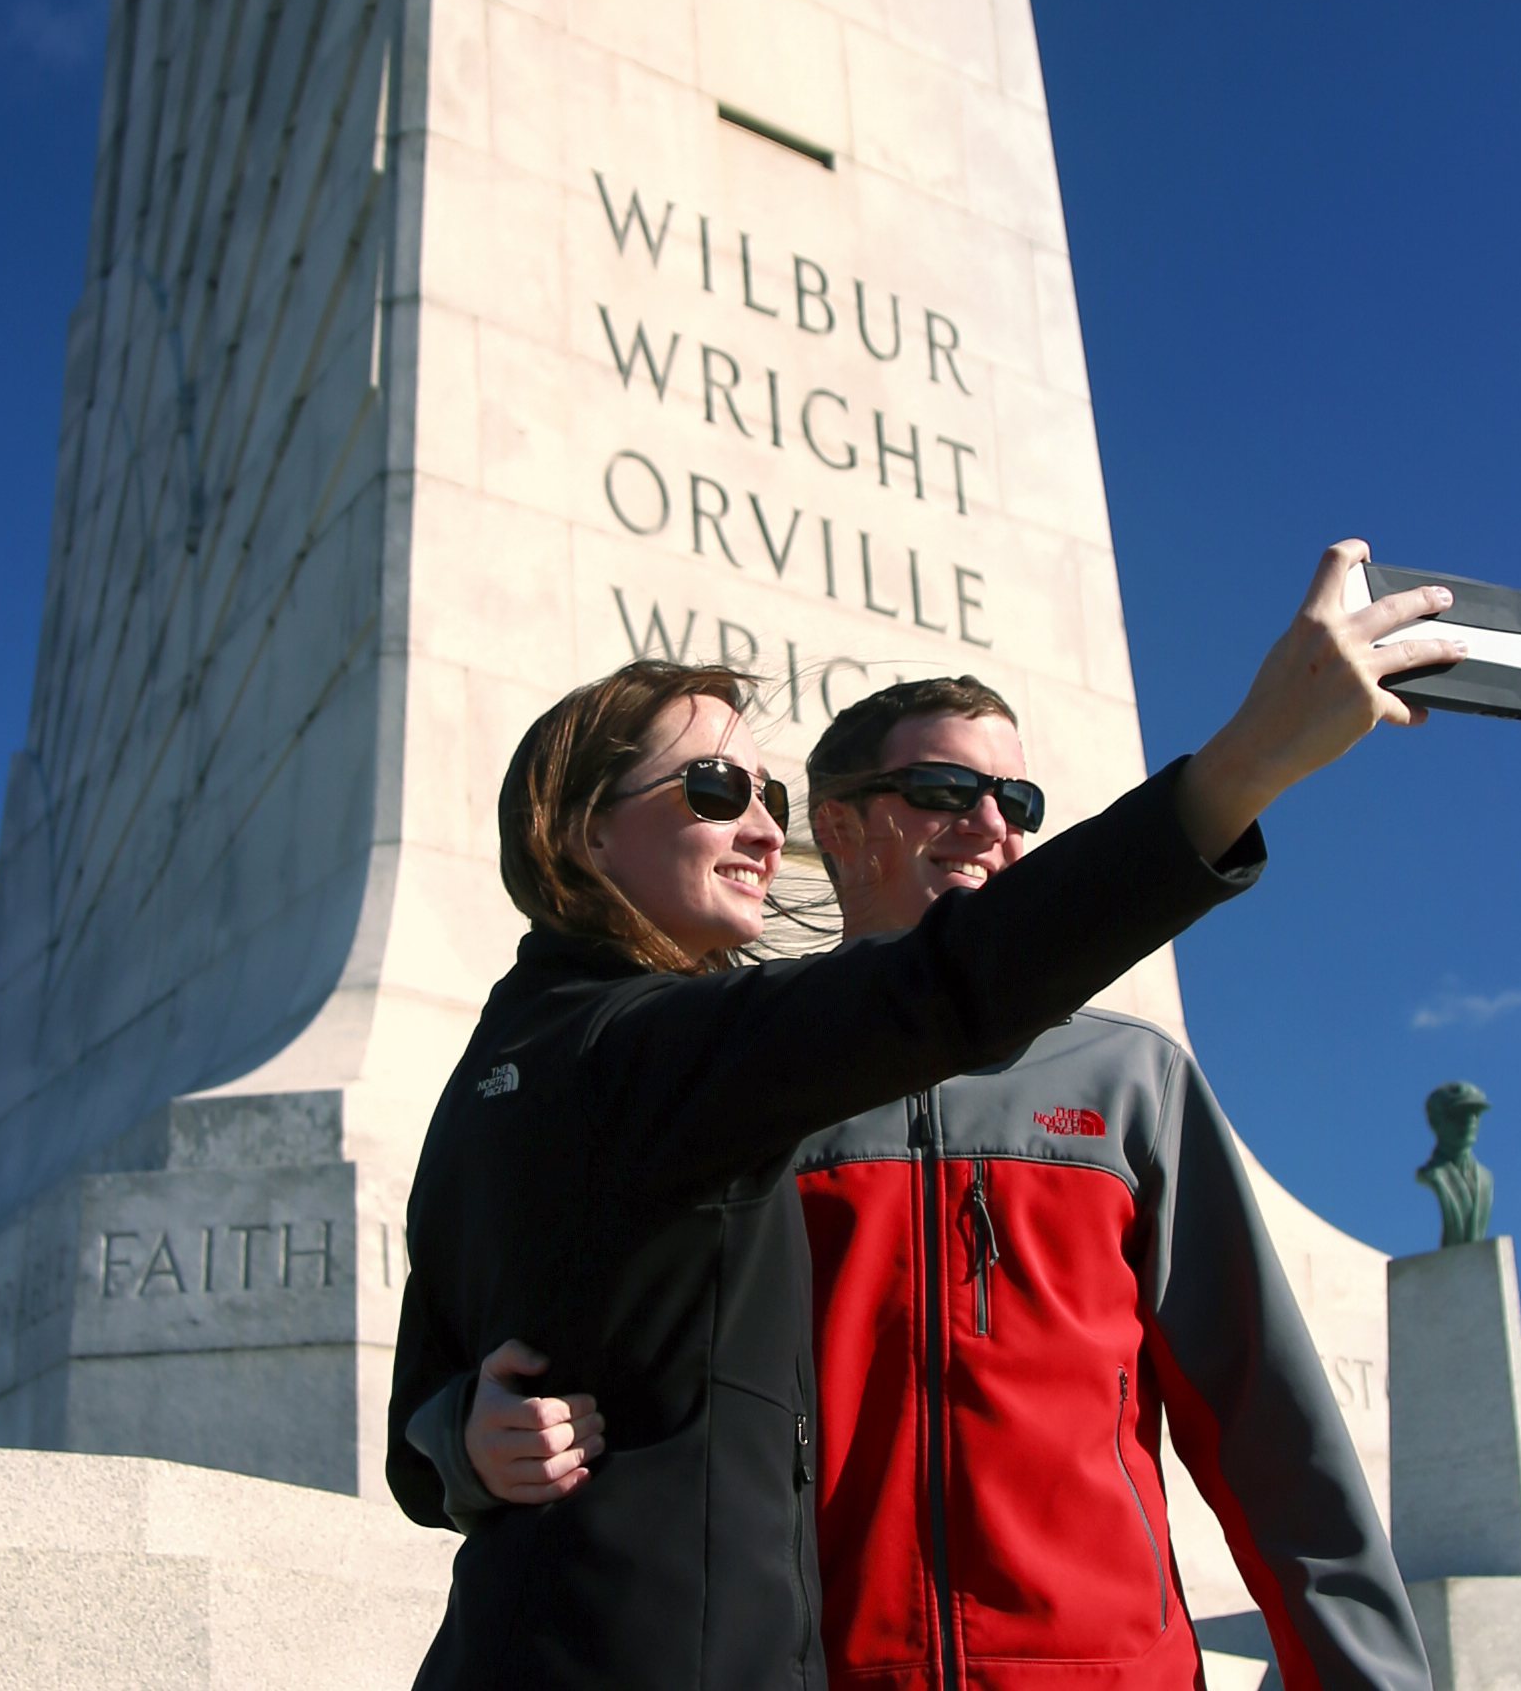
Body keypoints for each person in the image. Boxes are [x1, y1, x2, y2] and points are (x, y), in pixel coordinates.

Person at [386, 541, 1466, 1691]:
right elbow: (471, 1351)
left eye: (1019, 801)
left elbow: (1271, 1433)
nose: (991, 823)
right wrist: (459, 1436)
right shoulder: (703, 1071)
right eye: (946, 793)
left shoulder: (1129, 1080)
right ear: (842, 830)